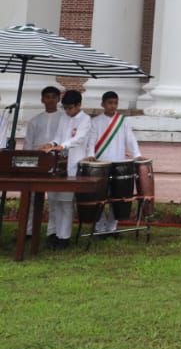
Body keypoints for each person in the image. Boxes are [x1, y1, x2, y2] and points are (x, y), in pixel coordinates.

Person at [37, 90, 92, 250]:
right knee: (54, 200)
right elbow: (58, 136)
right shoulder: (63, 117)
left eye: (70, 108)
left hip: (73, 164)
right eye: (65, 108)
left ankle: (64, 237)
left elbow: (79, 138)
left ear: (79, 105)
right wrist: (51, 144)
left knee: (66, 202)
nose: (68, 111)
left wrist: (63, 145)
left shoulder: (85, 119)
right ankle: (52, 234)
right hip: (57, 163)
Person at [89, 90, 143, 233]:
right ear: (103, 104)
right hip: (101, 164)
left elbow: (130, 139)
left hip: (119, 164)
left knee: (117, 197)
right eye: (109, 103)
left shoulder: (122, 121)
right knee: (99, 197)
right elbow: (91, 140)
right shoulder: (95, 122)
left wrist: (137, 154)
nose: (113, 106)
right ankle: (100, 226)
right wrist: (90, 154)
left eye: (115, 103)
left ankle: (112, 227)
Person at [21, 86, 64, 238]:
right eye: (47, 97)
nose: (50, 100)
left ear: (58, 99)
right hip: (36, 163)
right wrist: (27, 165)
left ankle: (52, 232)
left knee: (54, 198)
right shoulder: (35, 120)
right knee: (32, 198)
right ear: (42, 99)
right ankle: (28, 231)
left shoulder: (64, 119)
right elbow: (28, 145)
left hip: (56, 161)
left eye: (53, 97)